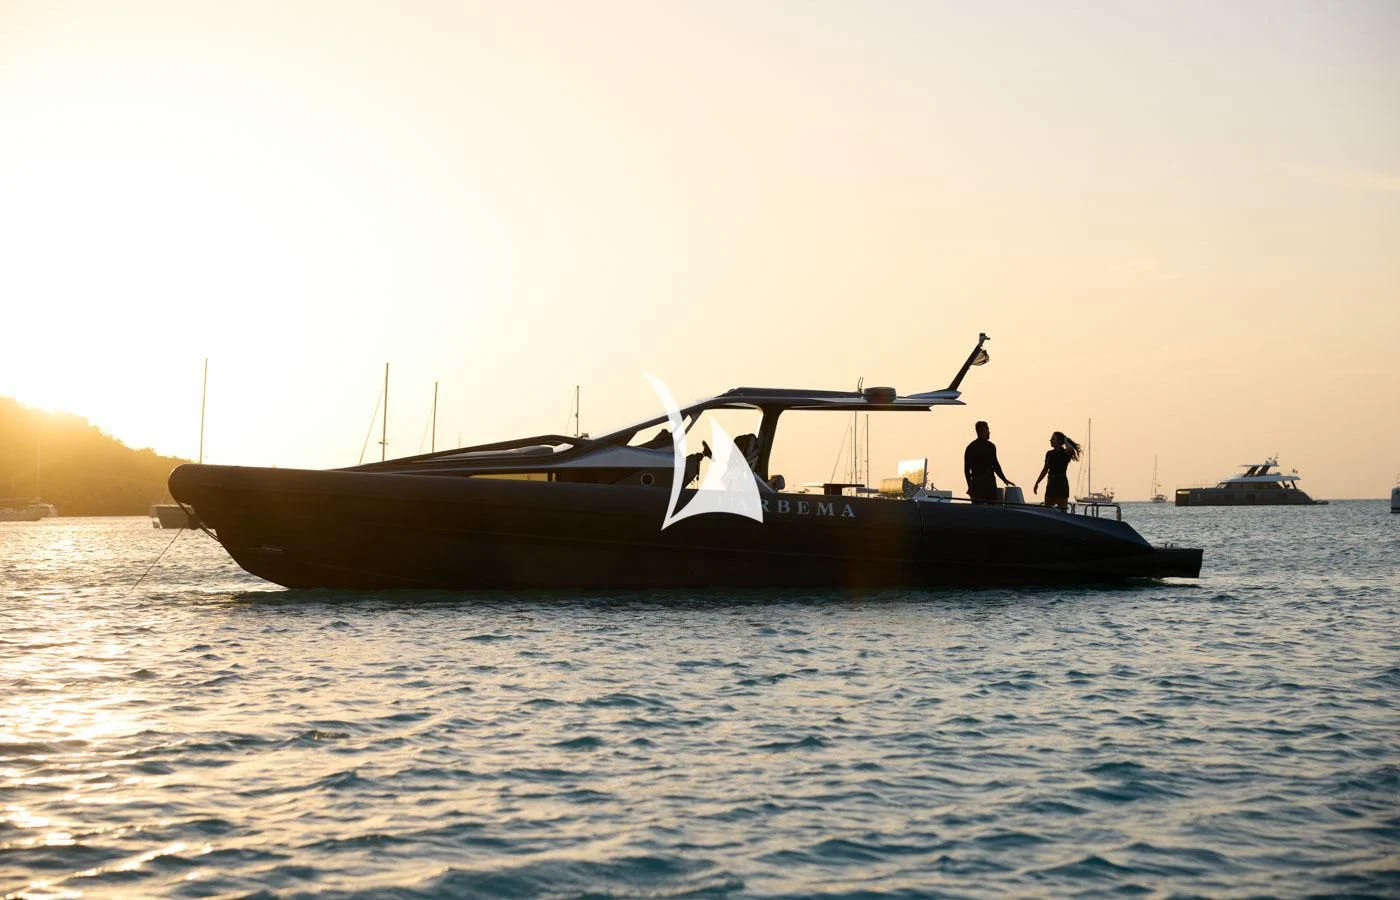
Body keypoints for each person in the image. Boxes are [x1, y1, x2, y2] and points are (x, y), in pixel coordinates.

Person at [964, 421, 1014, 502]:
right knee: (993, 508)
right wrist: (1004, 479)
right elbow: (995, 465)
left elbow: (966, 471)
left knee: (978, 510)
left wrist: (970, 486)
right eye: (988, 429)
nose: (989, 432)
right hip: (988, 483)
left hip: (976, 483)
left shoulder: (970, 447)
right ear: (983, 430)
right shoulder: (990, 446)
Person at [1033, 431, 1082, 510]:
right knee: (1048, 509)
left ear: (1059, 441)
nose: (1050, 440)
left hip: (1061, 483)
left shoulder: (1065, 453)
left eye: (1053, 439)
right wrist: (1037, 482)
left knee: (1062, 509)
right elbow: (1045, 469)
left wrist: (1065, 440)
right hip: (1051, 482)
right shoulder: (1049, 453)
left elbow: (1070, 450)